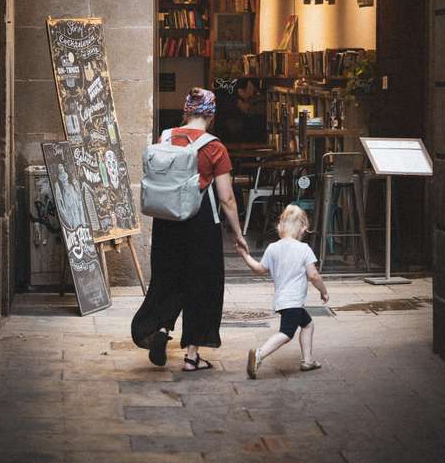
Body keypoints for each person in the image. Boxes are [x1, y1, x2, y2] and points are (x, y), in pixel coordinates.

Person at [131, 87, 247, 371]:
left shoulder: (166, 137)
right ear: (211, 113)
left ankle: (160, 330)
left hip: (167, 222)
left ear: (186, 110)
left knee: (168, 278)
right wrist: (239, 234)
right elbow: (226, 198)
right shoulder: (214, 147)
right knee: (201, 285)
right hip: (199, 222)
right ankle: (192, 356)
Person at [236, 204, 329, 379]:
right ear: (303, 228)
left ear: (280, 227)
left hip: (283, 301)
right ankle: (259, 354)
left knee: (308, 324)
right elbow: (314, 275)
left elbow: (259, 269)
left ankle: (308, 360)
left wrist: (245, 255)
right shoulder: (304, 249)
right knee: (286, 333)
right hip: (293, 301)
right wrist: (323, 291)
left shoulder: (273, 248)